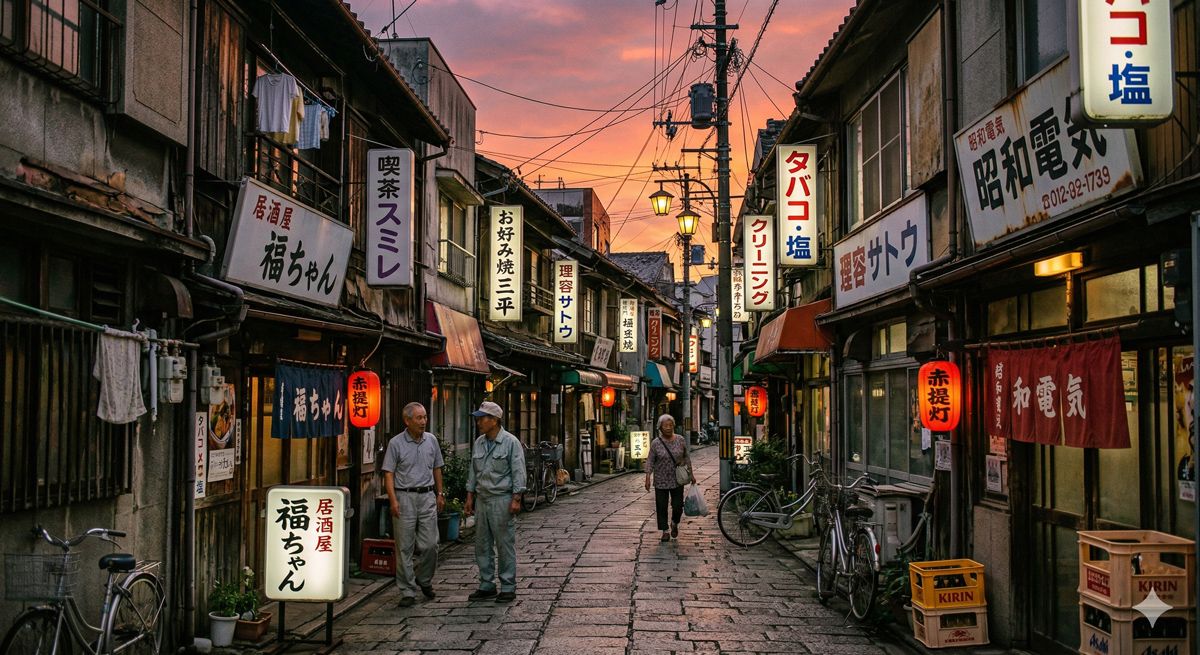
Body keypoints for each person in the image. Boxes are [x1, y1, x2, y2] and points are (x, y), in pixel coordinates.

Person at [381, 402, 445, 607]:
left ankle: (424, 579)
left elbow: (437, 468)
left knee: (431, 544)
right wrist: (393, 500)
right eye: (419, 418)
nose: (423, 422)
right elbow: (388, 474)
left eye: (425, 417)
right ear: (407, 421)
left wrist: (440, 493)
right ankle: (407, 590)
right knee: (404, 547)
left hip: (427, 496)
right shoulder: (396, 443)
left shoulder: (431, 441)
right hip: (404, 497)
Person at [464, 401, 526, 603]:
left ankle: (508, 585)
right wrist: (469, 496)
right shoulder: (479, 442)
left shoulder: (510, 442)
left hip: (502, 498)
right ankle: (486, 584)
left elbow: (518, 471)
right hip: (482, 498)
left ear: (495, 420)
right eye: (478, 418)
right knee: (482, 544)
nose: (479, 422)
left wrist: (517, 498)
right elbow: (473, 471)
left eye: (482, 418)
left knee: (504, 543)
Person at [644, 413, 695, 542]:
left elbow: (686, 457)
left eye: (670, 425)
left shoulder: (680, 439)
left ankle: (674, 522)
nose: (668, 427)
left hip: (677, 479)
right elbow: (650, 460)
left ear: (674, 426)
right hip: (661, 479)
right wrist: (648, 477)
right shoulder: (656, 443)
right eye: (665, 425)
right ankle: (665, 530)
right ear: (660, 427)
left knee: (678, 506)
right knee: (661, 505)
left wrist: (691, 474)